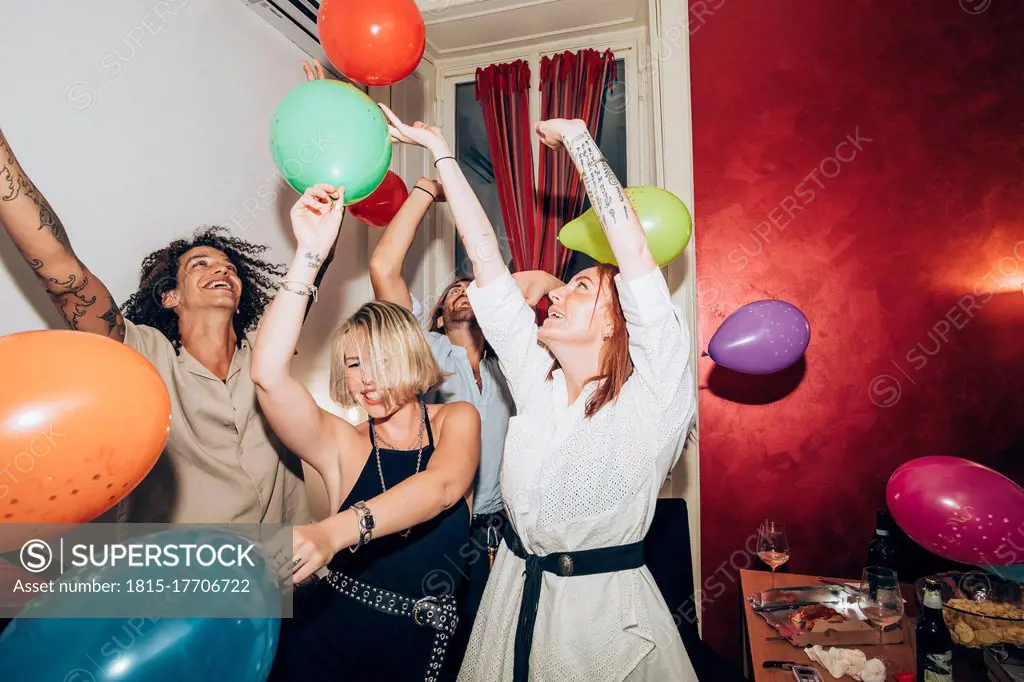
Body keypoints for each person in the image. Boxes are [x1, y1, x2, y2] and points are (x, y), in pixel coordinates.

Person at [381, 104, 699, 681]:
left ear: (616, 319)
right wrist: (439, 151)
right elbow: (485, 259)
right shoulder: (536, 382)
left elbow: (633, 254)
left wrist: (580, 142)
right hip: (509, 600)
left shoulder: (653, 397)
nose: (554, 295)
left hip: (601, 623)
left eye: (580, 287)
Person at [0, 118, 330, 525]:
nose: (222, 271)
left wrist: (330, 156)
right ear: (170, 296)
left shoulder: (268, 351)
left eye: (230, 267)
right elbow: (63, 277)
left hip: (284, 578)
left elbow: (314, 263)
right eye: (201, 264)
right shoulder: (141, 354)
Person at [252, 186, 481, 681]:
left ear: (414, 359)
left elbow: (441, 489)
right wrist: (308, 257)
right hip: (330, 644)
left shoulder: (456, 420)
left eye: (380, 360)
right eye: (353, 364)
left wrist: (330, 533)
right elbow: (269, 376)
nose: (365, 379)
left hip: (427, 651)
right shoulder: (343, 443)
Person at [367, 176, 563, 675]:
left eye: (471, 288)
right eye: (453, 290)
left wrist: (536, 279)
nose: (463, 292)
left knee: (499, 638)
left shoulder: (518, 364)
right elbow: (383, 267)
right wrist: (425, 193)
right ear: (436, 314)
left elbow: (565, 306)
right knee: (435, 638)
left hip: (507, 528)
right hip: (437, 519)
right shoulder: (424, 351)